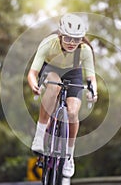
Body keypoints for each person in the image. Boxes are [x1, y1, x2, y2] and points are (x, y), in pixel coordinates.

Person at [27, 13, 98, 178]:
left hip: (73, 74)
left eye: (76, 39)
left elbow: (91, 77)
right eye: (67, 38)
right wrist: (34, 85)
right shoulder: (48, 43)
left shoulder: (85, 50)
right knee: (54, 87)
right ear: (60, 35)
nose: (72, 43)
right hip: (51, 70)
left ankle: (68, 156)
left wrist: (93, 91)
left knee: (73, 112)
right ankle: (39, 136)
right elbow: (32, 72)